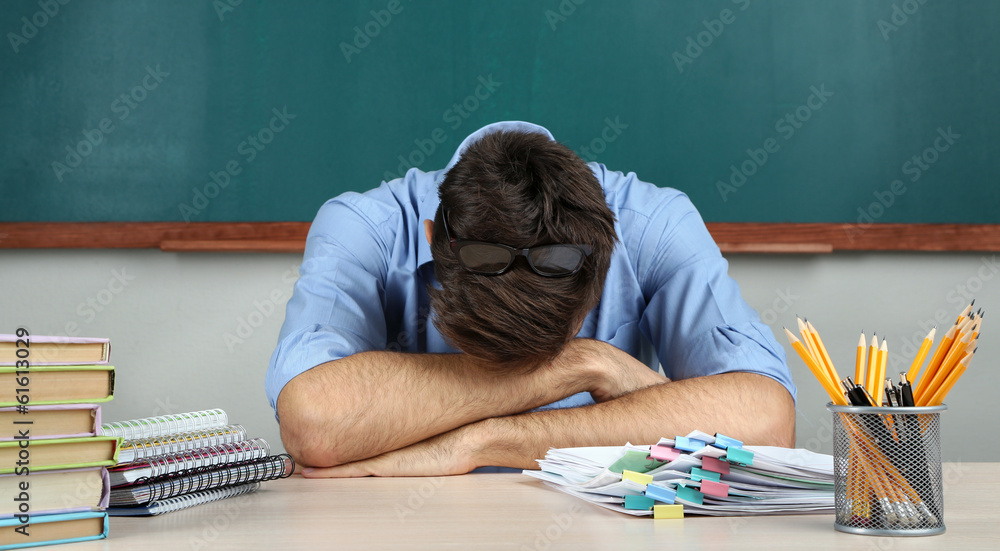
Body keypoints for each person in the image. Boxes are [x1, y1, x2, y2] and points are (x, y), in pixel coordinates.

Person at [267, 121, 796, 477]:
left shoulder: (654, 224)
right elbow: (315, 423)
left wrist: (485, 443)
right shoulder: (365, 227)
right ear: (433, 239)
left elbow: (767, 428)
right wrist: (581, 366)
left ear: (604, 257)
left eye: (561, 349)